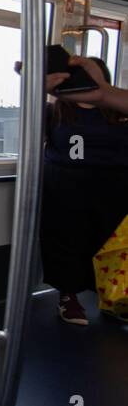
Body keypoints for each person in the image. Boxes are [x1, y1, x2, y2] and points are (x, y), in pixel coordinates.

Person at [40, 56, 128, 324]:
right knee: (66, 240)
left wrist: (102, 94)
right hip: (65, 185)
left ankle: (112, 296)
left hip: (113, 185)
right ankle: (69, 297)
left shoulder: (116, 109)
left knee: (110, 244)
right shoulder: (55, 112)